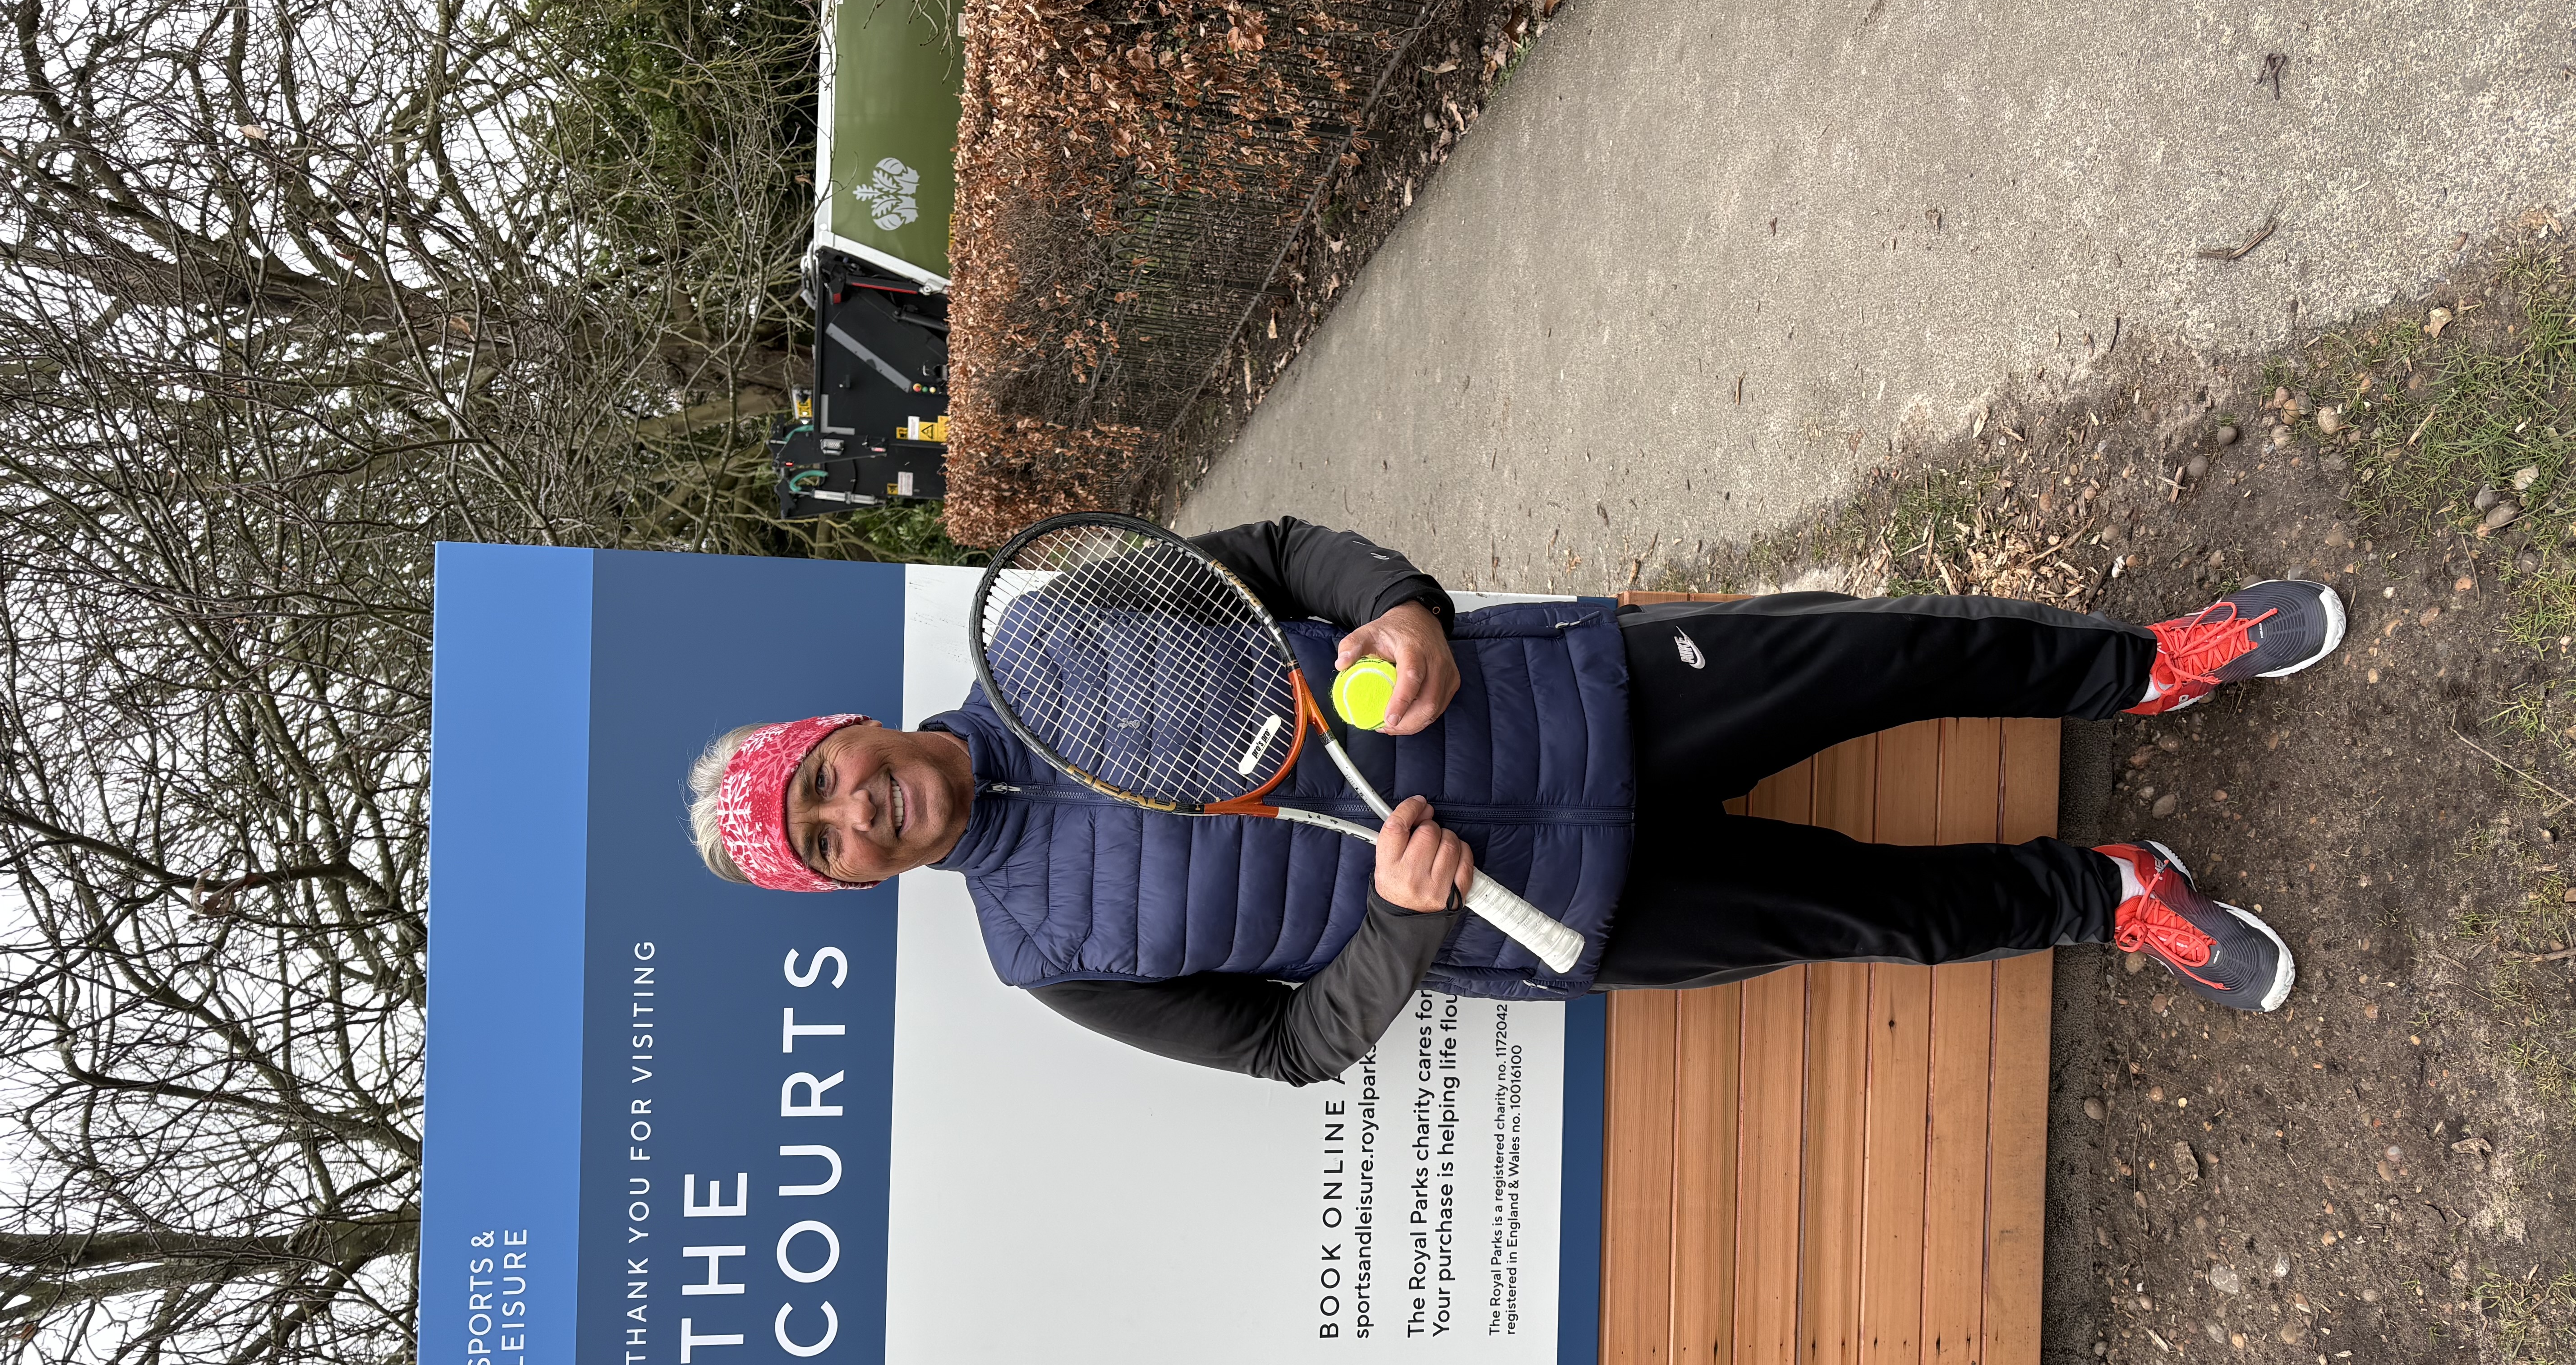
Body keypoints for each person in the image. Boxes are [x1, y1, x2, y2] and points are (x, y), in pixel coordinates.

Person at [687, 518, 2345, 1083]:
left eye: (821, 781)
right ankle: (2115, 894)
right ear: (853, 882)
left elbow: (1284, 561)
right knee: (1880, 916)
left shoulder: (1053, 623)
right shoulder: (1044, 956)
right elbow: (1284, 1048)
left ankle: (2149, 666)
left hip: (1580, 695)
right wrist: (1401, 931)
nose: (854, 813)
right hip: (1546, 916)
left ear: (843, 729)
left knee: (1886, 656)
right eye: (824, 845)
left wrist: (1402, 609)